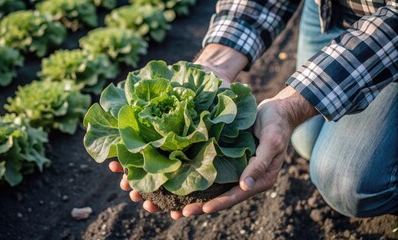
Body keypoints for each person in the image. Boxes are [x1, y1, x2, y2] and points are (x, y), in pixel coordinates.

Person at [110, 0, 398, 219]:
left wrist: (292, 106)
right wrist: (216, 62)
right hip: (333, 8)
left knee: (348, 185)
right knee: (306, 139)